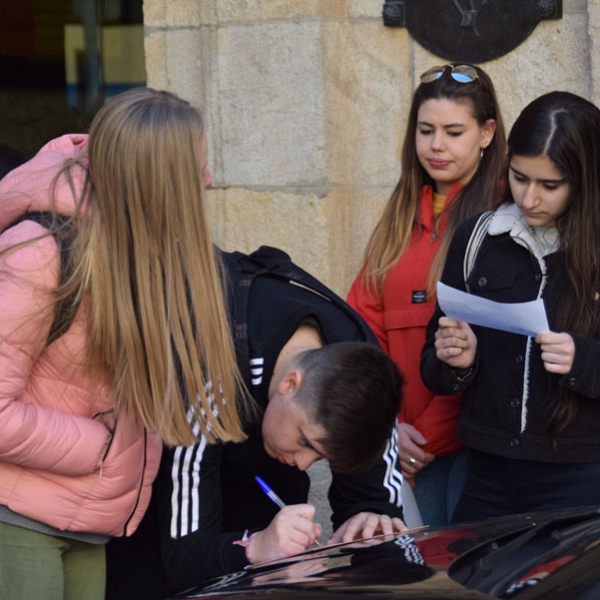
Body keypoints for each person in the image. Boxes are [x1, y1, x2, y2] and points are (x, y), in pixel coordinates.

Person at [0, 88, 251, 600]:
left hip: (85, 521)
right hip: (16, 517)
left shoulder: (142, 254)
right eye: (195, 168)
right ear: (155, 180)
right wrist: (104, 447)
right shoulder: (42, 252)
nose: (207, 181)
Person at [106, 246, 407, 598]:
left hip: (262, 475)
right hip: (162, 497)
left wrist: (369, 517)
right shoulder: (217, 372)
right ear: (289, 383)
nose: (304, 464)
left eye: (322, 457)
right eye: (307, 443)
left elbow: (376, 499)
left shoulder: (366, 370)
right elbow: (183, 553)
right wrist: (254, 547)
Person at [420, 91, 600, 523]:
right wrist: (455, 359)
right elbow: (433, 364)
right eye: (519, 178)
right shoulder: (477, 236)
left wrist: (584, 359)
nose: (530, 197)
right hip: (485, 472)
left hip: (580, 474)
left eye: (549, 185)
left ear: (586, 179)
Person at [347, 63, 506, 526]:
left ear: (486, 132)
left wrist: (423, 440)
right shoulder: (397, 218)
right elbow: (361, 327)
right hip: (400, 443)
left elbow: (491, 347)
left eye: (454, 131)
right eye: (426, 130)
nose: (436, 146)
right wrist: (388, 428)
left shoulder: (501, 219)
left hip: (468, 447)